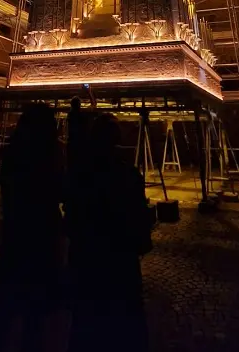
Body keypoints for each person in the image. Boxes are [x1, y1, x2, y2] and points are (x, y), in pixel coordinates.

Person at [66, 113, 152, 352]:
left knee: (85, 328)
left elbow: (72, 220)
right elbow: (138, 226)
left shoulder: (80, 176)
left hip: (88, 267)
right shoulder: (128, 176)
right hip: (120, 268)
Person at [0, 104, 66, 352]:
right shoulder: (52, 154)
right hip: (42, 238)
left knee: (7, 310)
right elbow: (61, 190)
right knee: (34, 315)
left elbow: (8, 193)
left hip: (16, 235)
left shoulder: (14, 153)